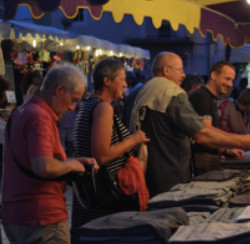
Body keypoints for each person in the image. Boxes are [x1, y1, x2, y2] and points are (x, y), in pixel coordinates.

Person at [129, 52, 250, 196]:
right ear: (166, 70)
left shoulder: (138, 92)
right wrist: (242, 141)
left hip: (146, 175)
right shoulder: (172, 93)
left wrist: (226, 149)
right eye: (181, 70)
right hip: (170, 176)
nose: (183, 75)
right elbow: (202, 134)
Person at [1, 63, 99, 244]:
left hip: (16, 215)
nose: (73, 108)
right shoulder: (40, 117)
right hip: (42, 218)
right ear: (59, 89)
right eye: (73, 99)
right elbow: (43, 167)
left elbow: (33, 160)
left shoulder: (21, 111)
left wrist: (71, 161)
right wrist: (73, 165)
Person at [70, 58, 150, 243]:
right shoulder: (103, 108)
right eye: (121, 79)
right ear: (107, 80)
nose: (125, 83)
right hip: (104, 197)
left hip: (90, 193)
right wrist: (134, 139)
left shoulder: (89, 105)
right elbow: (102, 155)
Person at [188, 61, 250, 175]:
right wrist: (242, 141)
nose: (230, 84)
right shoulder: (201, 97)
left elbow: (210, 133)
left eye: (232, 80)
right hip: (202, 158)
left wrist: (226, 151)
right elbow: (206, 133)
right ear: (214, 75)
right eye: (227, 79)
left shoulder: (210, 98)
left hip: (210, 156)